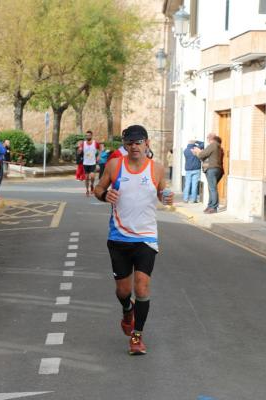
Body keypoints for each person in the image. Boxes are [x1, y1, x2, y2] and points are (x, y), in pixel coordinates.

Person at [94, 125, 173, 356]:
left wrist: (166, 197)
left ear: (146, 143)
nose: (134, 146)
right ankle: (127, 310)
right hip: (118, 237)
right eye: (130, 143)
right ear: (125, 145)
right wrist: (104, 195)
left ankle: (137, 337)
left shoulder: (157, 169)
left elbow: (162, 194)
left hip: (146, 238)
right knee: (123, 291)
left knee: (142, 286)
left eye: (138, 142)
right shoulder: (115, 166)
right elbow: (99, 188)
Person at [192, 133, 224, 213]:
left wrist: (197, 152)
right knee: (211, 188)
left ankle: (213, 207)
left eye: (207, 138)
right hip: (218, 169)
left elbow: (202, 156)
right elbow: (208, 157)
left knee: (212, 188)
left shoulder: (212, 145)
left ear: (211, 139)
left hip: (212, 169)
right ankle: (210, 206)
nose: (207, 140)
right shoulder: (219, 147)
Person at [183, 138, 204, 203]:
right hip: (196, 169)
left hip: (188, 169)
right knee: (194, 185)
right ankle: (193, 199)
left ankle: (185, 199)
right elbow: (203, 144)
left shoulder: (185, 150)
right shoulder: (196, 149)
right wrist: (197, 141)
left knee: (187, 185)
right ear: (194, 143)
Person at [81, 130, 99, 196]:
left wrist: (98, 156)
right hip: (85, 163)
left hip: (92, 163)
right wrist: (79, 151)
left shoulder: (95, 143)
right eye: (86, 135)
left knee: (92, 177)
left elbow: (99, 150)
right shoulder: (83, 143)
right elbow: (79, 151)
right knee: (86, 178)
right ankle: (87, 190)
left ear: (91, 135)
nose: (87, 136)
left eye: (89, 135)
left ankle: (92, 185)